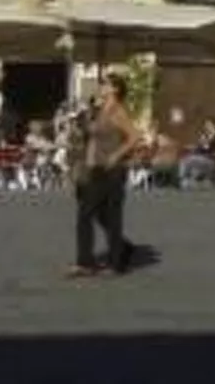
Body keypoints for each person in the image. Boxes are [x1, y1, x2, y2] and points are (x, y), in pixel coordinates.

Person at [70, 76, 143, 278]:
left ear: (115, 89)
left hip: (113, 169)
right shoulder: (100, 111)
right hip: (95, 169)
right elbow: (92, 140)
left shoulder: (118, 111)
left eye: (105, 84)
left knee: (105, 214)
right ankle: (119, 251)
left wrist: (117, 155)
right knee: (94, 214)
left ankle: (110, 263)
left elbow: (135, 137)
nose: (100, 87)